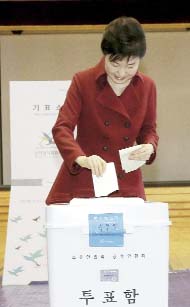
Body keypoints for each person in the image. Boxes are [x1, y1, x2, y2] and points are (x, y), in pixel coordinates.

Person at [45, 16, 158, 205]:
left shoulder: (148, 86)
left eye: (131, 65)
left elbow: (149, 130)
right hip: (87, 177)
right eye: (115, 64)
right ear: (105, 55)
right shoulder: (83, 81)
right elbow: (62, 128)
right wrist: (82, 159)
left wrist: (149, 146)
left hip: (127, 182)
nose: (122, 73)